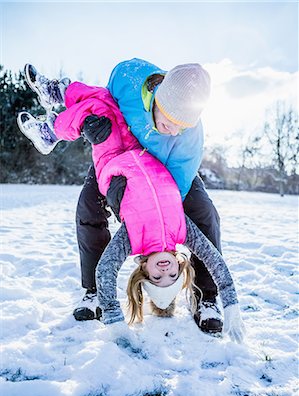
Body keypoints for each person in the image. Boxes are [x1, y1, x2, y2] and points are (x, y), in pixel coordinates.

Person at [17, 79, 245, 343]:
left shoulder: (133, 238)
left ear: (143, 267)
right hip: (140, 148)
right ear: (179, 266)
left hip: (117, 158)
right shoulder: (181, 230)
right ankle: (59, 93)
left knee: (96, 114)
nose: (164, 270)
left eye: (157, 277)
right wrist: (233, 303)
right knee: (103, 100)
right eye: (172, 275)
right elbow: (214, 259)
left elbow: (108, 267)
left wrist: (115, 322)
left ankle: (50, 130)